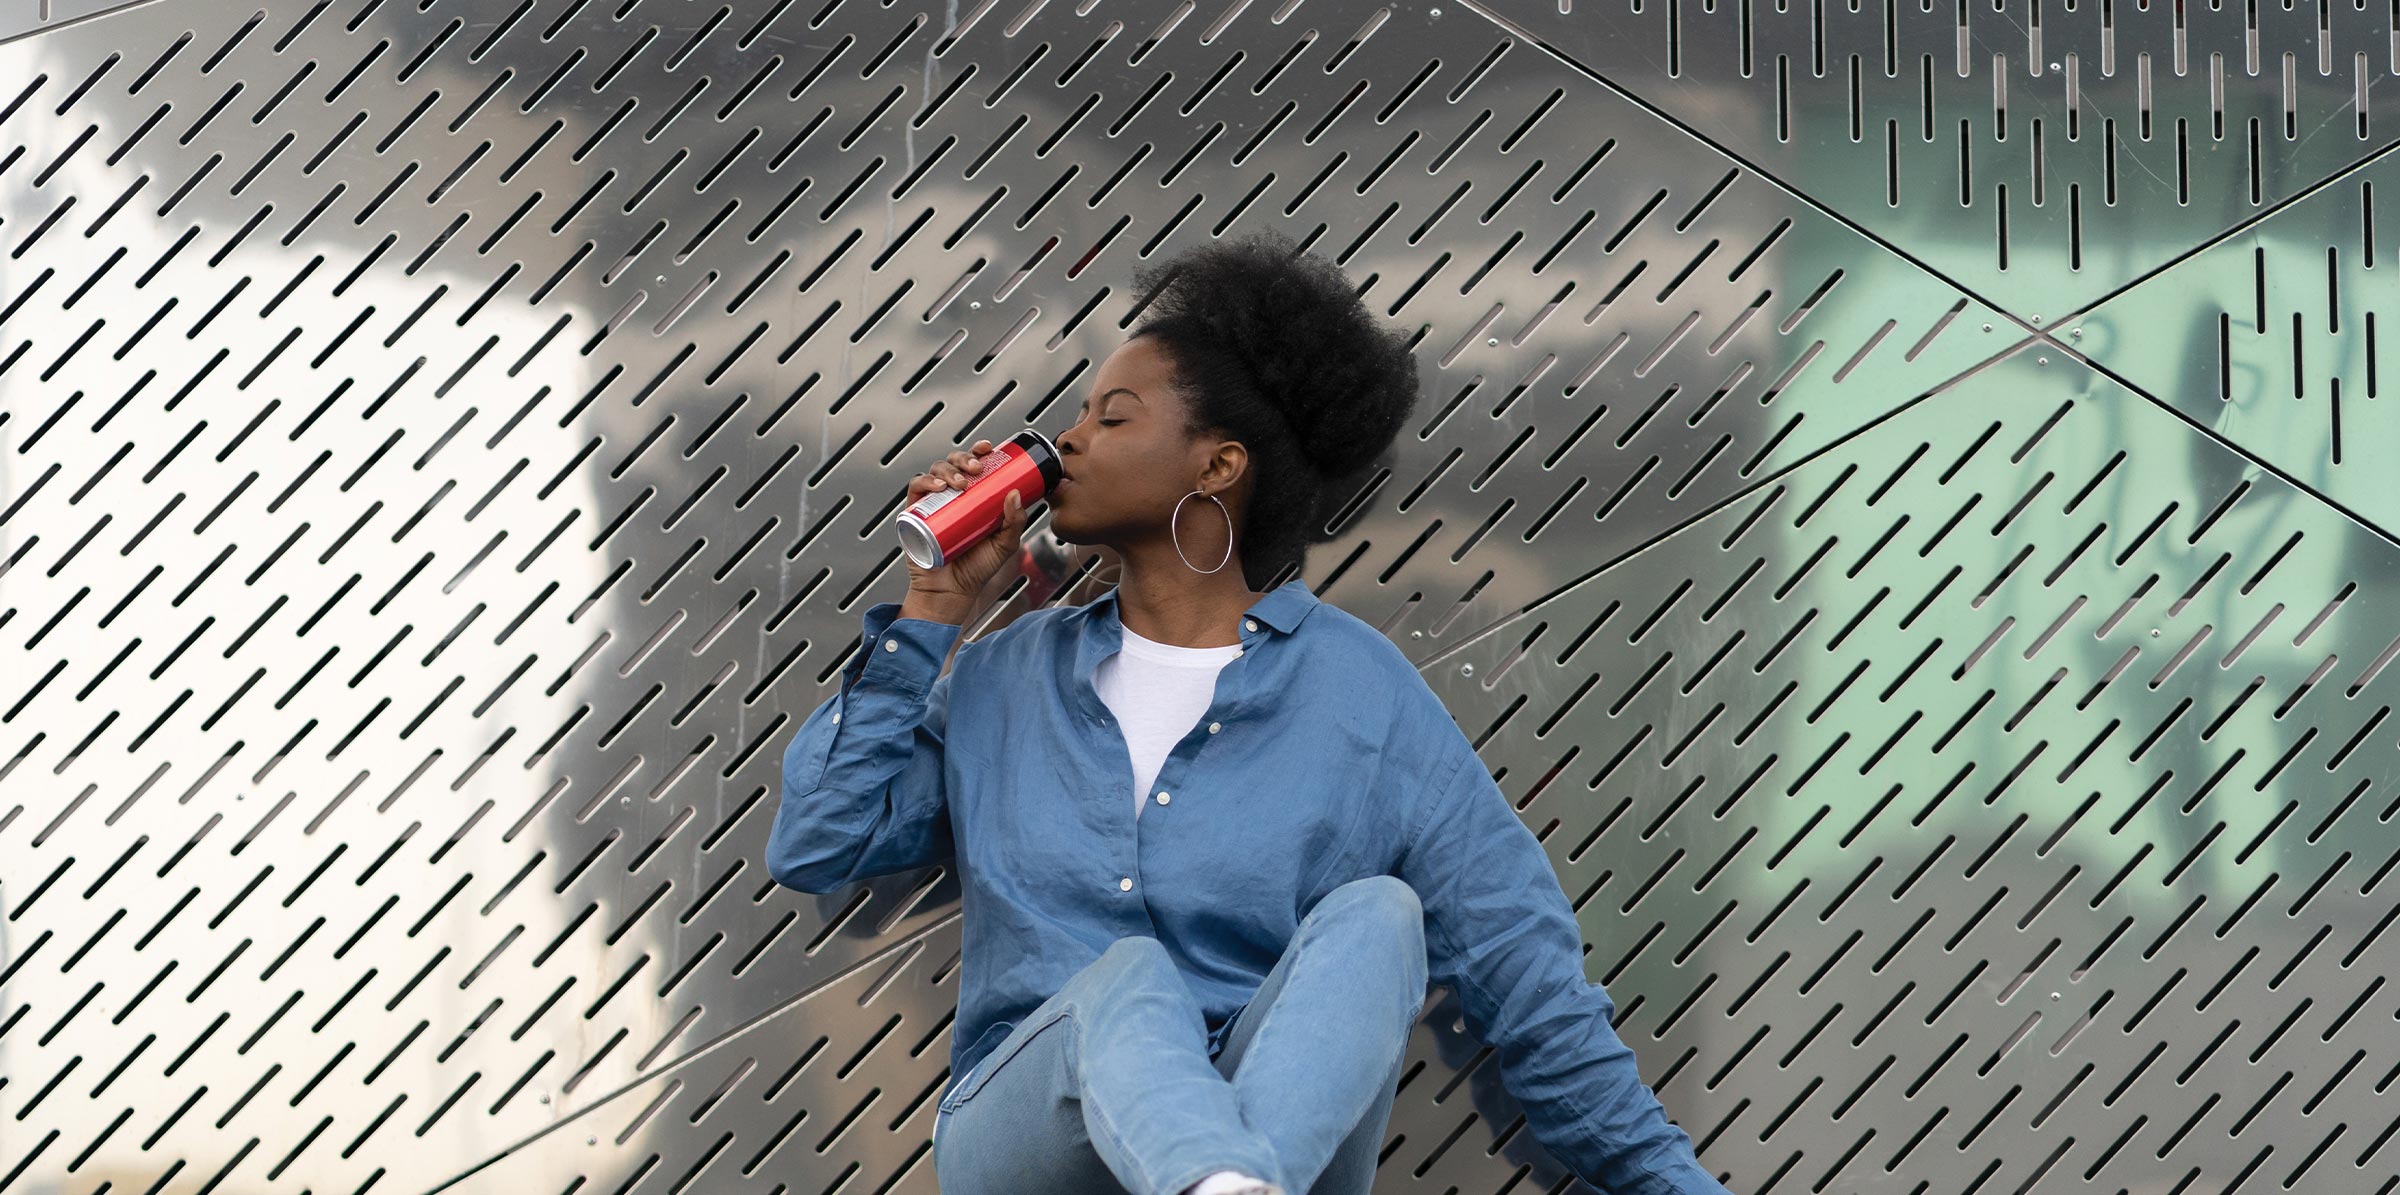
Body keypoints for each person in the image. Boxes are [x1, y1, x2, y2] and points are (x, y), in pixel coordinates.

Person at [769, 229, 1731, 1195]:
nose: (1070, 441)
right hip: (1034, 1138)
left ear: (1216, 467)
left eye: (1113, 416)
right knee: (1128, 980)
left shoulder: (1362, 697)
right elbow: (819, 843)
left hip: (1271, 1132)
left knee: (1383, 917)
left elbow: (1534, 995)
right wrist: (934, 610)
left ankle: (1228, 1181)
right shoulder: (1003, 677)